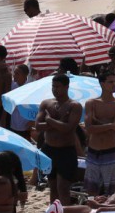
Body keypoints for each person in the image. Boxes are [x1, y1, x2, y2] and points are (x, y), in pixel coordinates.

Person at [35, 73, 83, 206]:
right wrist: (58, 123)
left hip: (66, 150)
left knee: (63, 187)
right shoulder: (46, 103)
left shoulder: (74, 106)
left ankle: (65, 210)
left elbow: (68, 128)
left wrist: (49, 120)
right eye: (53, 86)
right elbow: (38, 126)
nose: (55, 89)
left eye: (58, 86)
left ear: (66, 87)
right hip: (49, 148)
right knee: (53, 186)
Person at [83, 69, 115, 198]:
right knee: (91, 191)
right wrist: (110, 125)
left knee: (111, 192)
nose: (114, 85)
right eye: (110, 82)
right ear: (102, 84)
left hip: (109, 151)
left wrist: (98, 123)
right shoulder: (92, 103)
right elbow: (89, 128)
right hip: (93, 151)